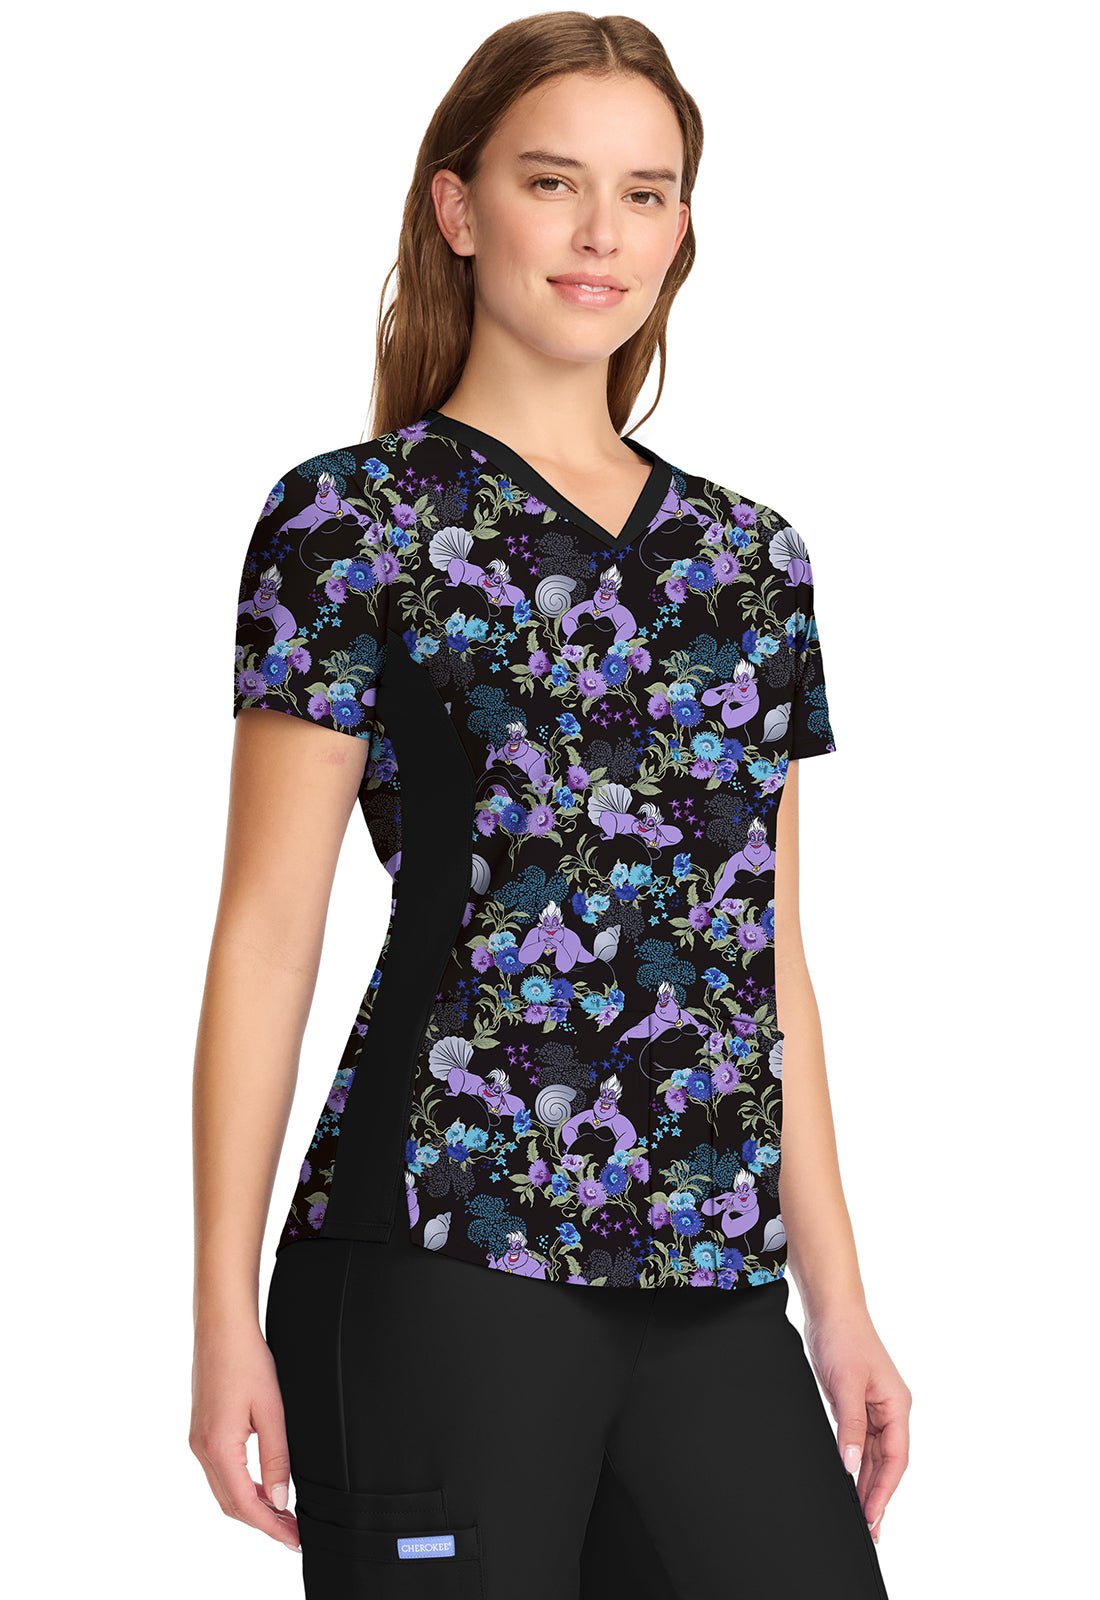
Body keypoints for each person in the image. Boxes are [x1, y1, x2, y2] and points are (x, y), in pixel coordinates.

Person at [190, 13, 910, 1597]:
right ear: (458, 208)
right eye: (552, 181)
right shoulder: (350, 524)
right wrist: (221, 1311)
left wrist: (840, 1302)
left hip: (713, 1279)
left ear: (681, 229)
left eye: (645, 194)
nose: (602, 235)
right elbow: (267, 935)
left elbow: (767, 958)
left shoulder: (751, 562)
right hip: (439, 1252)